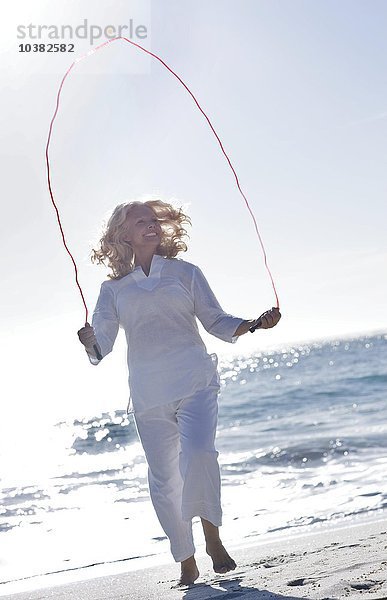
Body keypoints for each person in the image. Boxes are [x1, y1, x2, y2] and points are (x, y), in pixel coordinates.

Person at [77, 199, 281, 586]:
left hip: (194, 381)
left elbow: (216, 320)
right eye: (142, 222)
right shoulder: (113, 289)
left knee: (200, 454)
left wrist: (254, 324)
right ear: (124, 234)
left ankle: (213, 539)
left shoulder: (186, 273)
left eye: (154, 220)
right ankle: (185, 557)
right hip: (149, 393)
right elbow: (101, 344)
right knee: (165, 479)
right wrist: (89, 340)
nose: (151, 226)